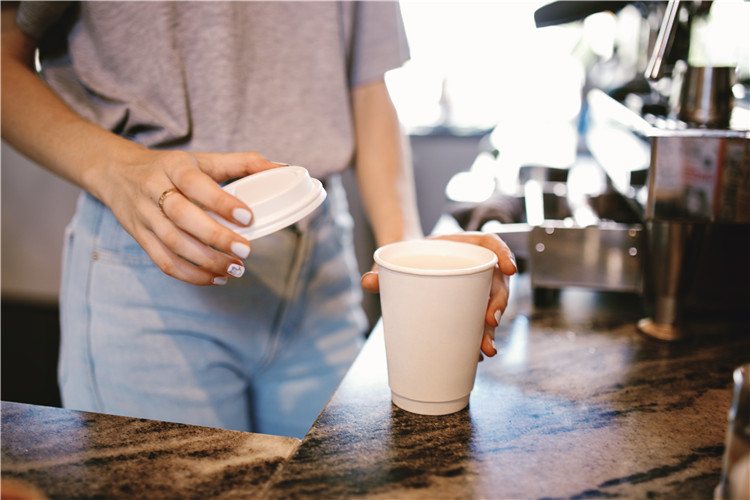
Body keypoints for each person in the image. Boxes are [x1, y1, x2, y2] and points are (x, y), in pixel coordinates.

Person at [1, 1, 517, 439]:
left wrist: (410, 260)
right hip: (157, 261)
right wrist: (116, 169)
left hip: (321, 272)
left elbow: (366, 84)